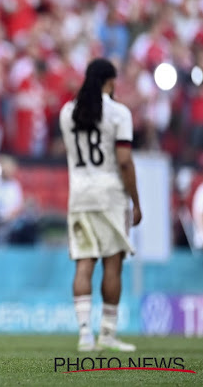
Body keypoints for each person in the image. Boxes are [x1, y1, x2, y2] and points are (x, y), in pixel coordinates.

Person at [59, 58, 142, 352]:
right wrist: (136, 201)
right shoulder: (119, 113)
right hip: (110, 194)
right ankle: (107, 334)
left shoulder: (68, 112)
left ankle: (84, 335)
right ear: (110, 81)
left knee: (84, 263)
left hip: (80, 193)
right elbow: (123, 161)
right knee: (112, 264)